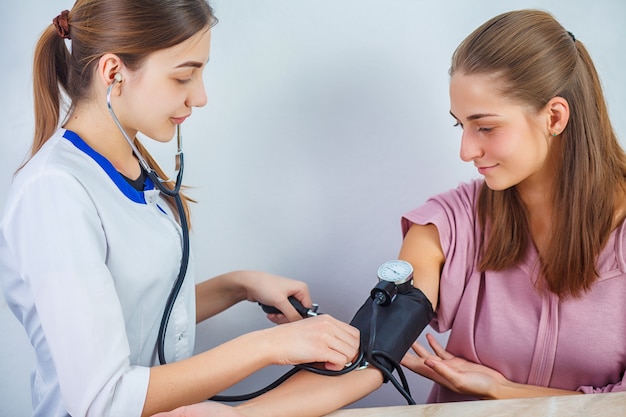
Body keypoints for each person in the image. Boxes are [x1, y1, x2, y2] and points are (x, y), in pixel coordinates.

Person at [155, 8, 626, 417]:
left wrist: (503, 392)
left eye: (485, 127)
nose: (466, 150)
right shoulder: (447, 224)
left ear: (556, 117)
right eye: (460, 125)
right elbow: (374, 356)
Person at [0, 1, 361, 416]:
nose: (201, 96)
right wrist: (270, 346)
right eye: (184, 76)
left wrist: (238, 286)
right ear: (113, 73)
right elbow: (105, 398)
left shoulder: (130, 166)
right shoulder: (55, 192)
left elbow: (141, 309)